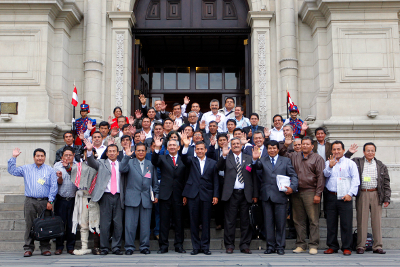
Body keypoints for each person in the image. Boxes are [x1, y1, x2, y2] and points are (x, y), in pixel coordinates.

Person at [8, 148, 57, 257]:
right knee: (29, 224)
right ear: (34, 157)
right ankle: (28, 248)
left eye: (42, 156)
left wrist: (51, 201)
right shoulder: (26, 168)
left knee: (45, 225)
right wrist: (14, 157)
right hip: (30, 201)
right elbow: (12, 171)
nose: (40, 158)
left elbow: (54, 186)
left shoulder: (50, 170)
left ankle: (45, 248)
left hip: (45, 202)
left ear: (45, 157)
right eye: (37, 156)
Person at [280, 136, 325, 255]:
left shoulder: (317, 158)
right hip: (296, 192)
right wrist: (286, 145)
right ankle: (301, 244)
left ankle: (313, 245)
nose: (304, 146)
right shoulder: (294, 156)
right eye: (302, 144)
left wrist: (318, 194)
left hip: (311, 191)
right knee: (298, 220)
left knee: (313, 220)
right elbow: (281, 154)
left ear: (312, 146)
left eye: (306, 144)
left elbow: (321, 177)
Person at [252, 140, 298, 255]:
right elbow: (256, 167)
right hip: (266, 196)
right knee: (268, 223)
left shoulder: (286, 160)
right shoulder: (262, 160)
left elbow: (293, 175)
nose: (272, 150)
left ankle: (280, 246)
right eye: (269, 148)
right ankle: (270, 246)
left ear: (278, 149)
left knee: (281, 223)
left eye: (274, 148)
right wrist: (254, 159)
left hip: (281, 195)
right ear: (267, 150)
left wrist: (292, 187)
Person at [216, 137, 258, 254]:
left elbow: (254, 175)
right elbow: (218, 168)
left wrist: (255, 160)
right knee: (230, 221)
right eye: (233, 144)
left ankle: (245, 245)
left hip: (246, 194)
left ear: (241, 145)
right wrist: (223, 156)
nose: (235, 145)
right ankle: (229, 245)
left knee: (246, 221)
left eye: (237, 144)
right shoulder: (227, 157)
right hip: (231, 194)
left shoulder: (249, 158)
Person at [85, 141, 126, 255]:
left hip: (119, 196)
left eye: (114, 151)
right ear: (106, 153)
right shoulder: (101, 163)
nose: (112, 153)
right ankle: (104, 248)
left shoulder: (122, 163)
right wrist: (89, 151)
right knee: (105, 224)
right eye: (110, 151)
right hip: (105, 196)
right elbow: (91, 162)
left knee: (118, 224)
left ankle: (116, 247)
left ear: (118, 153)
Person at [181, 135, 219, 255]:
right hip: (193, 195)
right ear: (195, 150)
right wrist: (186, 145)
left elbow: (216, 180)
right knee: (193, 222)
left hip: (207, 195)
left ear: (206, 150)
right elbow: (183, 158)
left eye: (202, 149)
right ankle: (196, 247)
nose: (200, 151)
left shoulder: (212, 163)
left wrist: (215, 195)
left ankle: (205, 247)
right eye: (197, 149)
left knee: (206, 222)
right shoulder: (191, 160)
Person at [351, 143, 391, 254]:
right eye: (368, 150)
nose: (370, 153)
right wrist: (350, 152)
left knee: (376, 221)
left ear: (375, 152)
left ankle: (377, 246)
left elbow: (386, 182)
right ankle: (361, 246)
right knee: (362, 220)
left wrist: (386, 198)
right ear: (364, 152)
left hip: (376, 194)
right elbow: (344, 160)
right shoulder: (357, 162)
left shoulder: (380, 165)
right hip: (363, 193)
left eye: (372, 151)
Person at [120, 143, 159, 255]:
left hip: (146, 198)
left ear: (146, 152)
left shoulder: (150, 164)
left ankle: (144, 246)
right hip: (132, 198)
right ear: (135, 152)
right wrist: (127, 156)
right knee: (130, 225)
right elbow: (122, 169)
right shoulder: (130, 162)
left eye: (143, 150)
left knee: (145, 225)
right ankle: (129, 247)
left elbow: (155, 182)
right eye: (138, 150)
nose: (141, 152)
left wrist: (156, 195)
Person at [323, 141, 360, 256]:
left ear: (343, 150)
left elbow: (355, 180)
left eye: (339, 149)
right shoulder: (327, 162)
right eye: (334, 149)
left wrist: (350, 194)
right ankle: (332, 246)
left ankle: (346, 247)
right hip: (331, 196)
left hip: (345, 197)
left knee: (346, 223)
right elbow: (324, 175)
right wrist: (330, 166)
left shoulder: (350, 163)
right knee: (331, 223)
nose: (336, 151)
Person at [151, 137, 187, 254]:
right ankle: (163, 246)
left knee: (179, 221)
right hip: (165, 194)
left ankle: (179, 245)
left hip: (179, 194)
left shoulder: (183, 159)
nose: (172, 147)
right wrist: (157, 148)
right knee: (164, 222)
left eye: (174, 145)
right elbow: (154, 161)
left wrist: (185, 194)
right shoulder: (162, 158)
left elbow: (186, 178)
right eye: (170, 145)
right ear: (166, 148)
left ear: (178, 147)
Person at [70, 147, 101, 256]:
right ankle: (84, 247)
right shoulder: (78, 167)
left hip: (94, 198)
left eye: (90, 153)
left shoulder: (98, 165)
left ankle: (96, 247)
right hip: (82, 197)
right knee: (83, 223)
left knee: (95, 223)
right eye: (86, 152)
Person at [54, 147, 78, 255]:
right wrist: (59, 178)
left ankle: (70, 247)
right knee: (60, 224)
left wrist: (68, 168)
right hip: (61, 199)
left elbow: (78, 181)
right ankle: (59, 246)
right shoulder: (57, 166)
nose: (68, 157)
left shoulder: (78, 166)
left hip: (74, 200)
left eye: (70, 155)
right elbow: (56, 183)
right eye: (66, 155)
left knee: (71, 224)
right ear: (62, 156)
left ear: (73, 156)